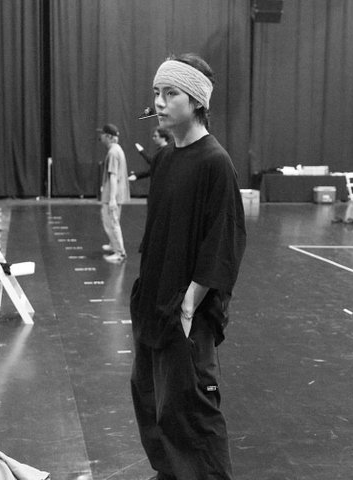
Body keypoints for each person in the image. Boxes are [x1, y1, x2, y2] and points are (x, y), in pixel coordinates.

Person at [130, 53, 246, 480]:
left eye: (170, 93)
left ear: (196, 101)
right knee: (152, 404)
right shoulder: (165, 160)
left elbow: (224, 242)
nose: (159, 102)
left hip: (186, 314)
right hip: (153, 306)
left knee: (191, 413)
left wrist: (188, 305)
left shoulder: (215, 163)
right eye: (156, 92)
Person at [97, 123, 130, 263]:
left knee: (111, 222)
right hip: (116, 194)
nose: (101, 137)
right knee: (112, 221)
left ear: (109, 136)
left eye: (102, 134)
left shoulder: (113, 153)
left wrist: (111, 199)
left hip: (113, 195)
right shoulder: (117, 150)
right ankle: (113, 245)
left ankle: (120, 253)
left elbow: (113, 176)